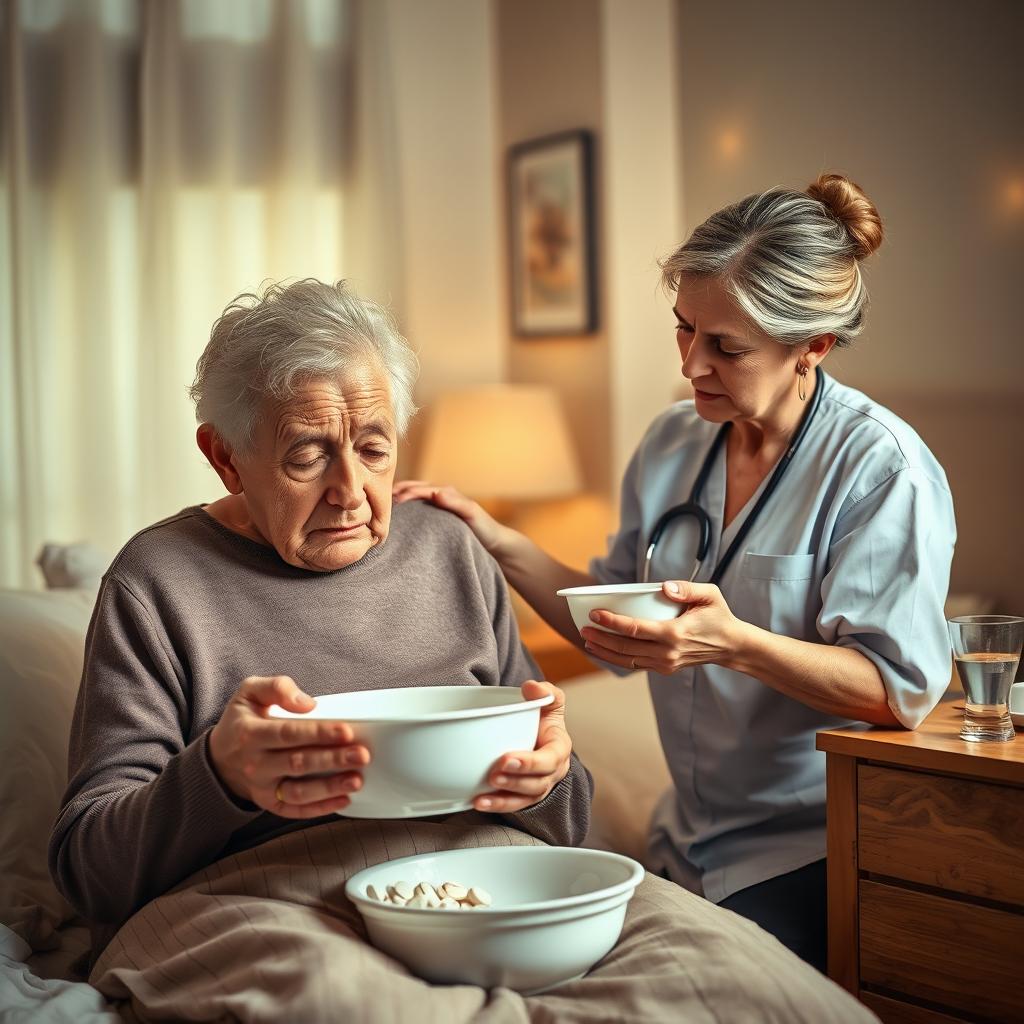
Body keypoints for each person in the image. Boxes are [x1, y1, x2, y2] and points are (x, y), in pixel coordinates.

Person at [49, 279, 871, 1021]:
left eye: (374, 447)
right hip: (264, 898)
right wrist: (221, 774)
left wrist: (546, 777)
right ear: (224, 456)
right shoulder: (157, 581)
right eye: (307, 454)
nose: (350, 491)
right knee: (346, 1004)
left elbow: (568, 815)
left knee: (755, 985)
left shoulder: (448, 551)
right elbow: (90, 873)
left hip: (500, 883)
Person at [395, 173, 957, 973]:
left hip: (809, 847)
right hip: (683, 838)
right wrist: (493, 536)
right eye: (684, 329)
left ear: (813, 348)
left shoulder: (879, 470)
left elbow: (896, 690)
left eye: (727, 347)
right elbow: (605, 630)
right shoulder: (672, 443)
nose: (693, 364)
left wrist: (732, 643)